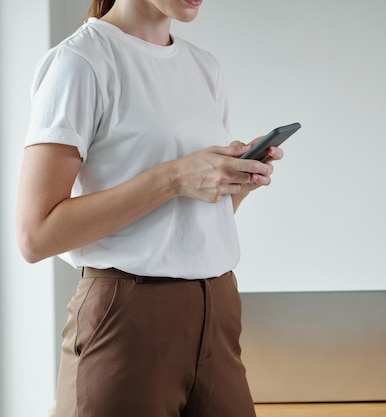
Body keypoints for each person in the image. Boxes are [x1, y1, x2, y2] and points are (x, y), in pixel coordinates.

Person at [16, 0, 283, 416]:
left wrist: (235, 183)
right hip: (127, 318)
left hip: (219, 313)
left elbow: (178, 229)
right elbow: (35, 235)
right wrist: (173, 178)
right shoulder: (81, 62)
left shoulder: (204, 68)